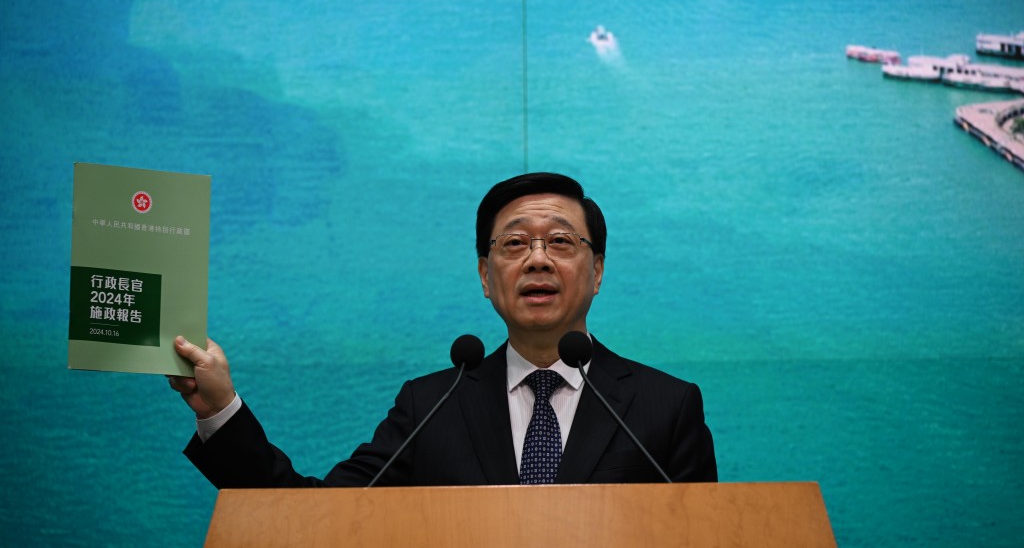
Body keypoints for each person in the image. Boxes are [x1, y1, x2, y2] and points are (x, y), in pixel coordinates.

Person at [170, 172, 717, 487]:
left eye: (560, 241)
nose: (537, 259)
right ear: (485, 276)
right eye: (514, 243)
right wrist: (219, 409)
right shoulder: (430, 406)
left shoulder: (667, 407)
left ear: (596, 271)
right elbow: (317, 515)